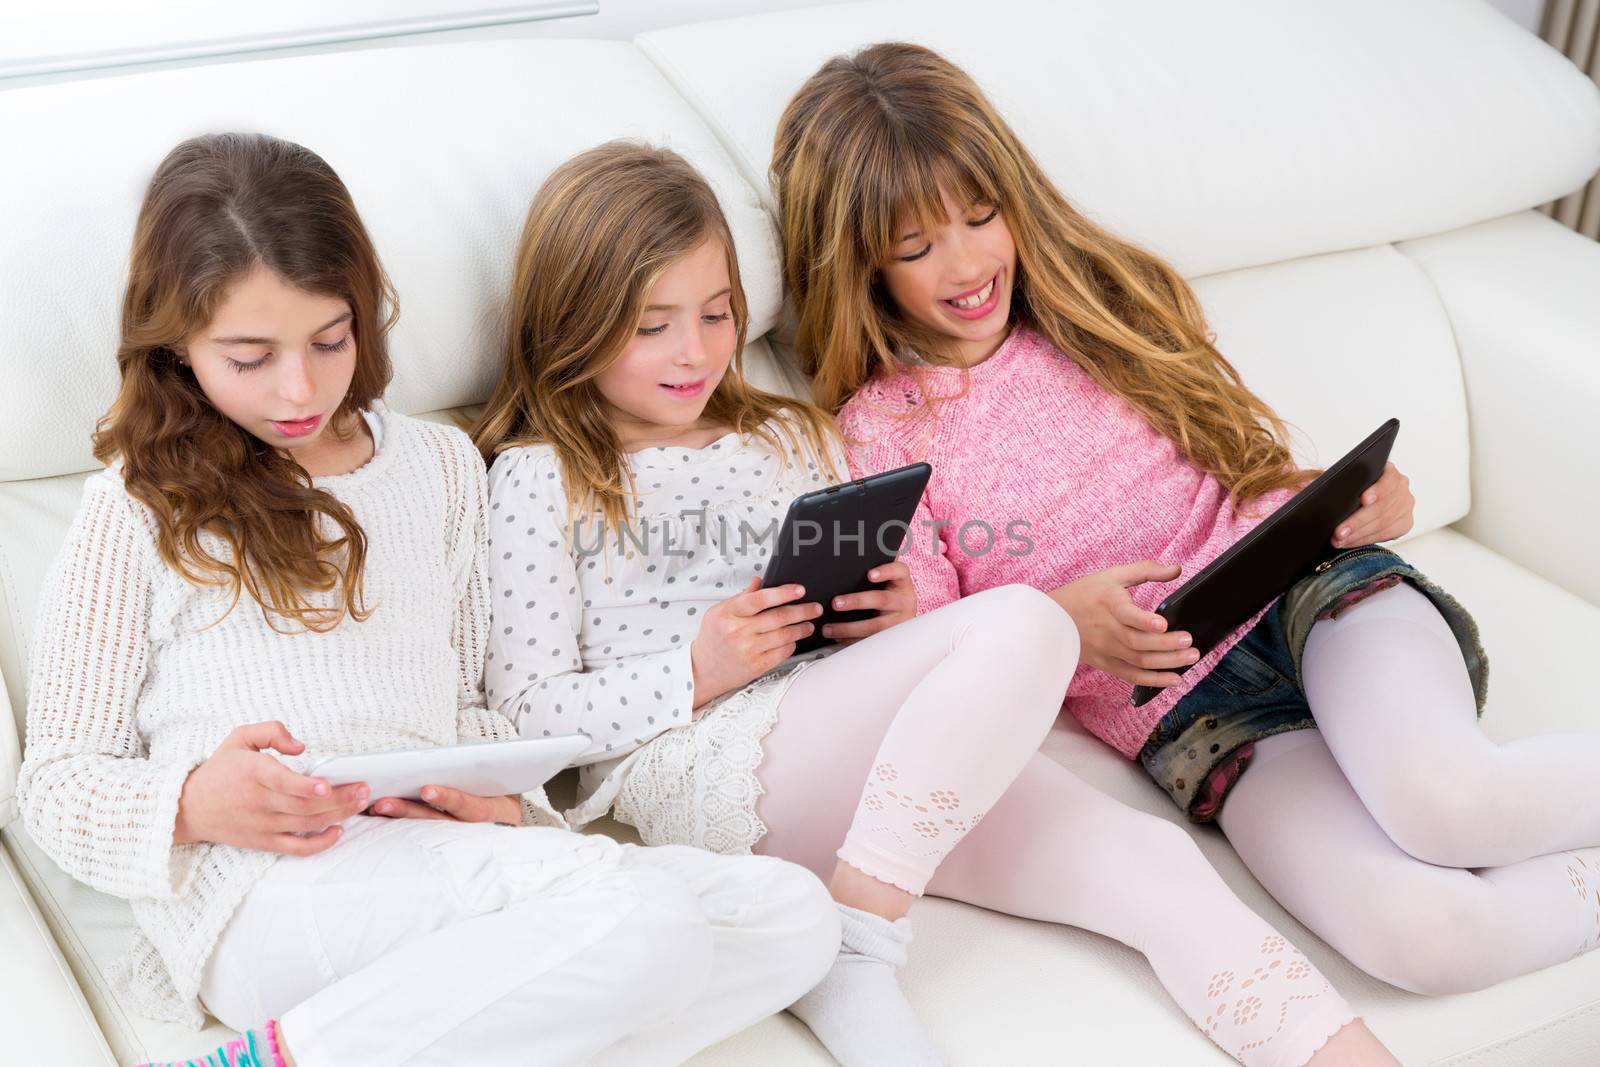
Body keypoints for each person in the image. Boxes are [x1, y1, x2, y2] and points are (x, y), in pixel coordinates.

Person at [475, 139, 1375, 1067]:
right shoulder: (539, 478)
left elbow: (884, 620)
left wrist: (895, 615)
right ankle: (861, 934)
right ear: (572, 324)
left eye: (716, 313)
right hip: (716, 758)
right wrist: (696, 670)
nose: (697, 350)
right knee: (1027, 618)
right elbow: (525, 714)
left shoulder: (791, 431)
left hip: (886, 747)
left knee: (1155, 866)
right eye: (652, 325)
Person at [776, 37, 1600, 1021]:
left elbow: (1250, 469)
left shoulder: (1102, 300)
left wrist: (1366, 502)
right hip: (1190, 719)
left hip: (1311, 600)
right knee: (1421, 934)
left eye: (980, 215)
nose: (964, 263)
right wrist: (1052, 621)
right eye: (915, 247)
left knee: (1449, 802)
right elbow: (951, 657)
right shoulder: (875, 427)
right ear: (860, 264)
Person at [18, 132, 839, 1067]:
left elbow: (471, 711)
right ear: (177, 346)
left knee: (792, 915)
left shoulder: (440, 467)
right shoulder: (133, 504)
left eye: (330, 341)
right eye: (250, 357)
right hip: (268, 888)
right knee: (645, 916)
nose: (300, 388)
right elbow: (53, 784)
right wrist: (197, 802)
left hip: (440, 860)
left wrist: (509, 809)